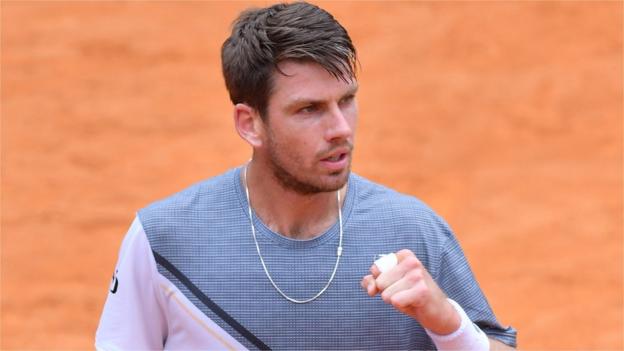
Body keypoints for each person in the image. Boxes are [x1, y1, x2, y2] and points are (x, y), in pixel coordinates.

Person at [95, 2, 517, 350]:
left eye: (346, 101)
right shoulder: (165, 240)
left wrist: (447, 323)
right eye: (309, 110)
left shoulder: (412, 232)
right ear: (250, 123)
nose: (341, 128)